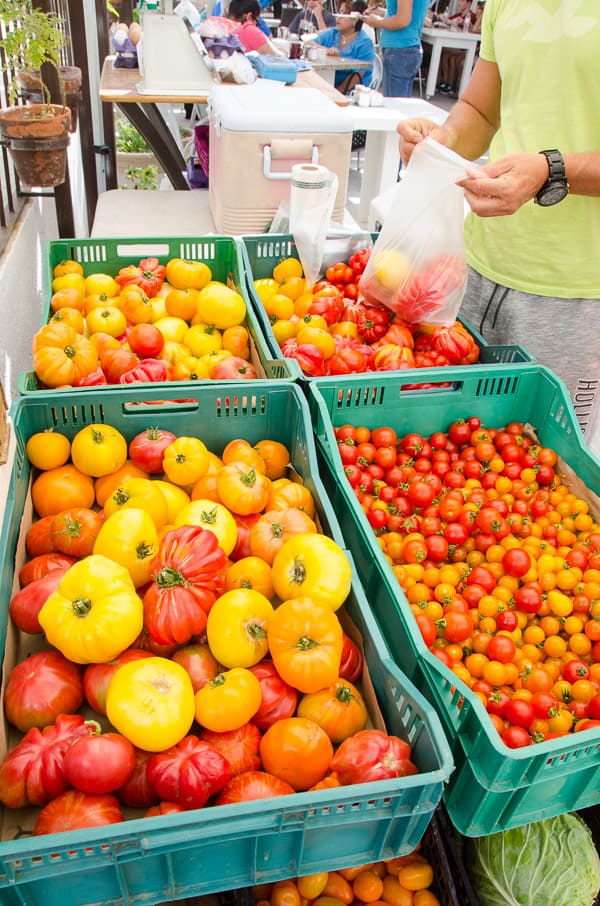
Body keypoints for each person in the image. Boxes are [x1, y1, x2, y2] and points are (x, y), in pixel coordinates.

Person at [395, 0, 600, 437]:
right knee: (442, 436)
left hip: (573, 291)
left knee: (548, 453)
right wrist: (440, 143)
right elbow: (482, 110)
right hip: (477, 265)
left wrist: (550, 170)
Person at [361, 0, 429, 97]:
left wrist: (377, 22)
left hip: (399, 49)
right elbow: (409, 13)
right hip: (407, 47)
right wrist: (382, 12)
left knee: (393, 105)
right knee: (400, 104)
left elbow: (403, 20)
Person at [307, 0, 375, 93]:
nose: (338, 18)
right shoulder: (333, 33)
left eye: (343, 14)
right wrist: (326, 50)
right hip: (328, 84)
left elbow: (357, 75)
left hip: (353, 92)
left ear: (355, 20)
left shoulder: (365, 43)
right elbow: (308, 43)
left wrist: (336, 93)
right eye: (339, 13)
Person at [437, 0, 483, 95]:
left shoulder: (473, 17)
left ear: (469, 3)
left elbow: (474, 29)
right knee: (446, 54)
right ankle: (445, 83)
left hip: (470, 49)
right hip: (462, 46)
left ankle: (450, 85)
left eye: (462, 1)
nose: (459, 3)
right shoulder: (458, 15)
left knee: (450, 56)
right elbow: (446, 19)